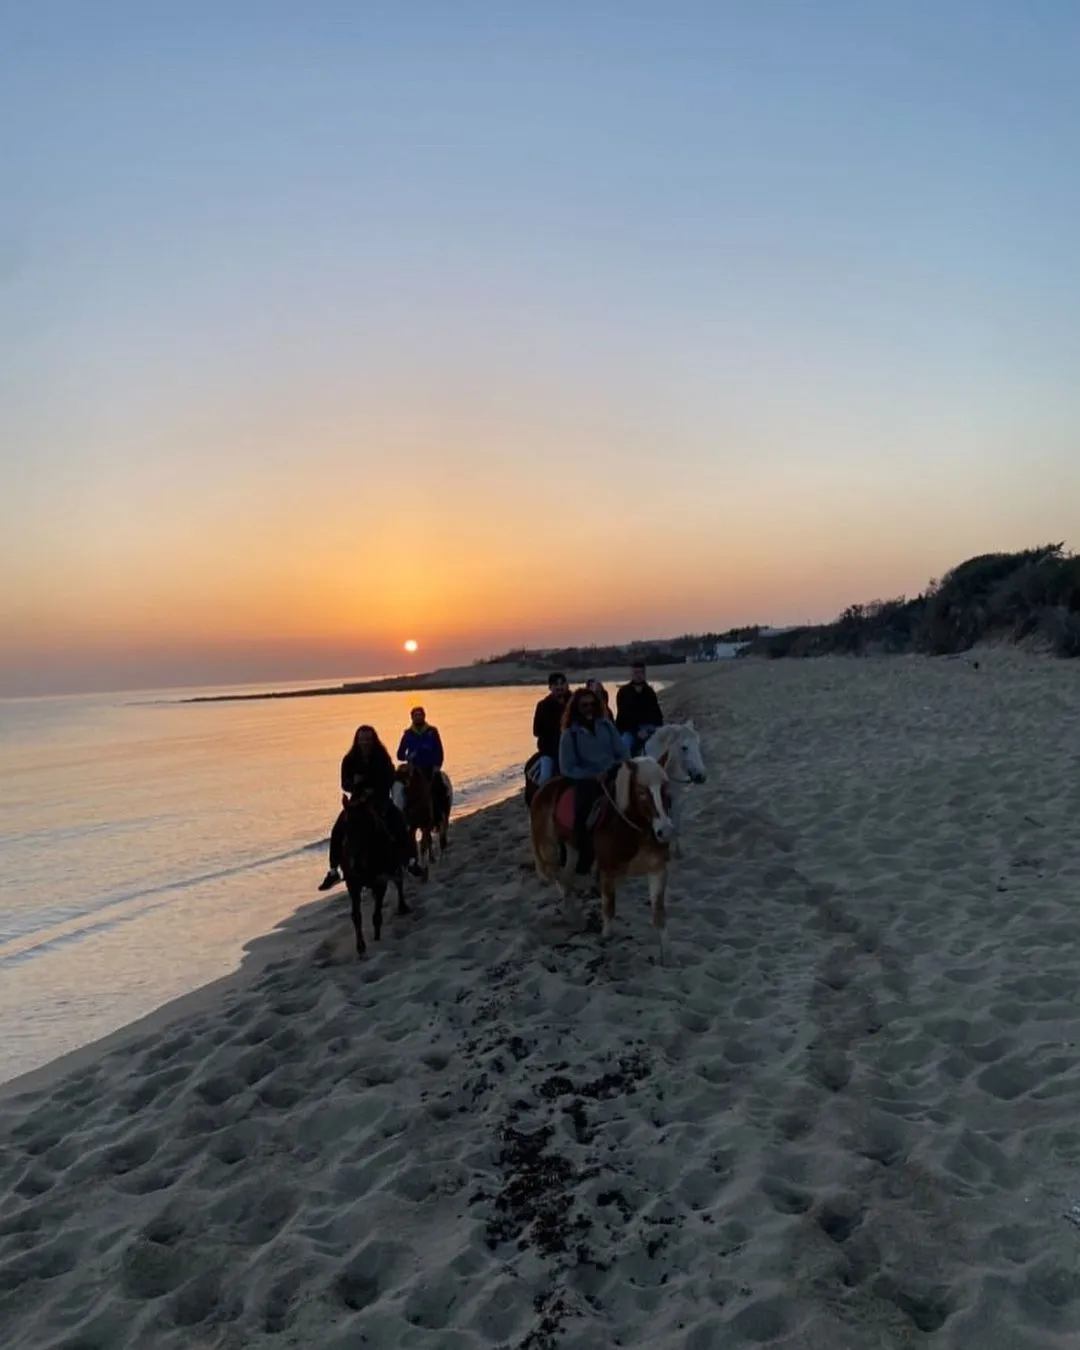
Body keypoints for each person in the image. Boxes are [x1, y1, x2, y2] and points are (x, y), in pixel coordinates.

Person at [319, 725, 419, 890]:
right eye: (362, 739)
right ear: (357, 740)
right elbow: (344, 783)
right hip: (358, 802)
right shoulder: (349, 759)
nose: (365, 742)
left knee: (399, 821)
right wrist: (353, 784)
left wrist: (375, 786)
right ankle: (333, 870)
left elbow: (390, 777)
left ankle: (409, 861)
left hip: (380, 800)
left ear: (373, 740)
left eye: (368, 739)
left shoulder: (382, 757)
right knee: (338, 829)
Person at [558, 685, 628, 874]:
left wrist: (614, 767)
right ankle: (583, 858)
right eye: (584, 705)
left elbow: (622, 751)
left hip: (612, 772)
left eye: (592, 704)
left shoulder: (606, 725)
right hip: (587, 780)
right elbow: (567, 767)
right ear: (576, 708)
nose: (589, 709)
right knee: (582, 816)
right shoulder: (569, 735)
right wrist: (592, 775)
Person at [396, 706, 449, 820]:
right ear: (412, 718)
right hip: (414, 768)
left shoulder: (432, 731)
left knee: (440, 788)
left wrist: (437, 766)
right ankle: (401, 813)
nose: (418, 717)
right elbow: (399, 754)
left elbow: (439, 750)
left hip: (429, 767)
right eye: (416, 715)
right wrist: (407, 756)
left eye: (420, 715)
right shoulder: (408, 734)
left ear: (424, 716)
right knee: (399, 787)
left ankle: (442, 814)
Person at [615, 661, 665, 754]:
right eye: (636, 673)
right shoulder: (623, 692)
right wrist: (636, 731)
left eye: (641, 672)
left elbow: (657, 713)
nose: (639, 675)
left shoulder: (650, 692)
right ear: (631, 674)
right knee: (623, 748)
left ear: (645, 674)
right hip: (630, 729)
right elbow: (622, 717)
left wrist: (658, 728)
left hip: (649, 727)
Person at [531, 672, 570, 786]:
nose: (559, 687)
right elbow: (536, 731)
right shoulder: (543, 706)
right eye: (555, 684)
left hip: (571, 750)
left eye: (562, 683)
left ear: (567, 685)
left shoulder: (575, 702)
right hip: (550, 752)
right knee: (545, 779)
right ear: (550, 687)